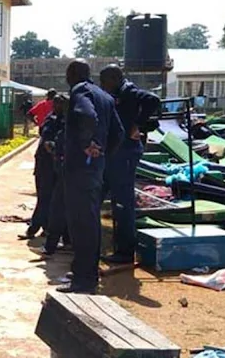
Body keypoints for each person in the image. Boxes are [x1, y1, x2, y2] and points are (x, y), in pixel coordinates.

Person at [57, 60, 123, 294]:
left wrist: (88, 145)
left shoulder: (80, 90)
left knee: (81, 224)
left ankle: (84, 280)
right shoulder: (104, 96)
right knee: (90, 221)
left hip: (80, 170)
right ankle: (85, 271)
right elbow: (119, 133)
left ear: (73, 74)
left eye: (67, 74)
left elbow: (86, 115)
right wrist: (102, 155)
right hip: (94, 170)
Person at [100, 65, 161, 264]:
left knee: (123, 203)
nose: (103, 85)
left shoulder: (129, 91)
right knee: (114, 199)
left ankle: (125, 252)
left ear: (115, 78)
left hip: (126, 152)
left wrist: (137, 124)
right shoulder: (118, 93)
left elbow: (153, 100)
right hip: (117, 153)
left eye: (105, 80)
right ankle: (117, 246)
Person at [18, 95, 58, 240]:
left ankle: (37, 229)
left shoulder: (53, 120)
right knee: (48, 198)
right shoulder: (54, 120)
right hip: (49, 164)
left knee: (45, 198)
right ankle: (45, 228)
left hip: (49, 165)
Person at [37, 95, 72, 256]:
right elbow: (46, 139)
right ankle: (42, 228)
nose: (58, 106)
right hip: (47, 165)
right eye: (56, 103)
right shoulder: (51, 120)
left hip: (62, 168)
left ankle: (62, 239)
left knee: (59, 204)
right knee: (47, 198)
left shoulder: (70, 121)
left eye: (61, 103)